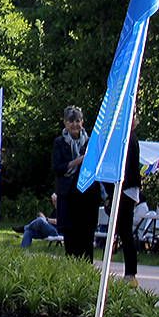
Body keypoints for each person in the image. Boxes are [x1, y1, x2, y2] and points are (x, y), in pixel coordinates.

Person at [52, 107, 99, 260]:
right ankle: (71, 266)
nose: (74, 125)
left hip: (86, 195)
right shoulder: (59, 143)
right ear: (65, 123)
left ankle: (87, 266)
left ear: (82, 122)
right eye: (71, 121)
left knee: (86, 235)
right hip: (67, 194)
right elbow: (57, 167)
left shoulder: (90, 143)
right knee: (70, 236)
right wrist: (75, 162)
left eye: (77, 121)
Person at [115, 132, 143, 281]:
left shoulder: (128, 137)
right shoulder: (126, 136)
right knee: (123, 231)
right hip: (124, 188)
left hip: (125, 189)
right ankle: (130, 272)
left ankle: (130, 273)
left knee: (125, 232)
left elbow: (128, 166)